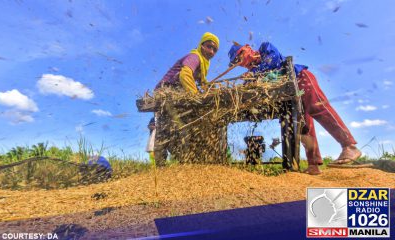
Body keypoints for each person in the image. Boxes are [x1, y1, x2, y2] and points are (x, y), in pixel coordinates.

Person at [228, 42, 361, 175]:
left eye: (240, 55)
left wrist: (253, 74)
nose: (240, 61)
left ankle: (349, 145)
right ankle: (313, 165)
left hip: (300, 79)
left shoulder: (264, 48)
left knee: (317, 107)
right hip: (292, 94)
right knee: (303, 125)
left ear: (247, 47)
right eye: (236, 61)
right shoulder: (251, 73)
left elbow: (272, 61)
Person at [152, 32, 220, 165]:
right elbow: (185, 75)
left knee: (176, 125)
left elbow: (201, 81)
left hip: (178, 92)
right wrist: (196, 96)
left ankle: (181, 160)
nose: (211, 51)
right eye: (209, 46)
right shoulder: (194, 56)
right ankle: (161, 165)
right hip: (166, 91)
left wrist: (207, 87)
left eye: (214, 50)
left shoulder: (203, 63)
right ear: (201, 45)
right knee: (167, 126)